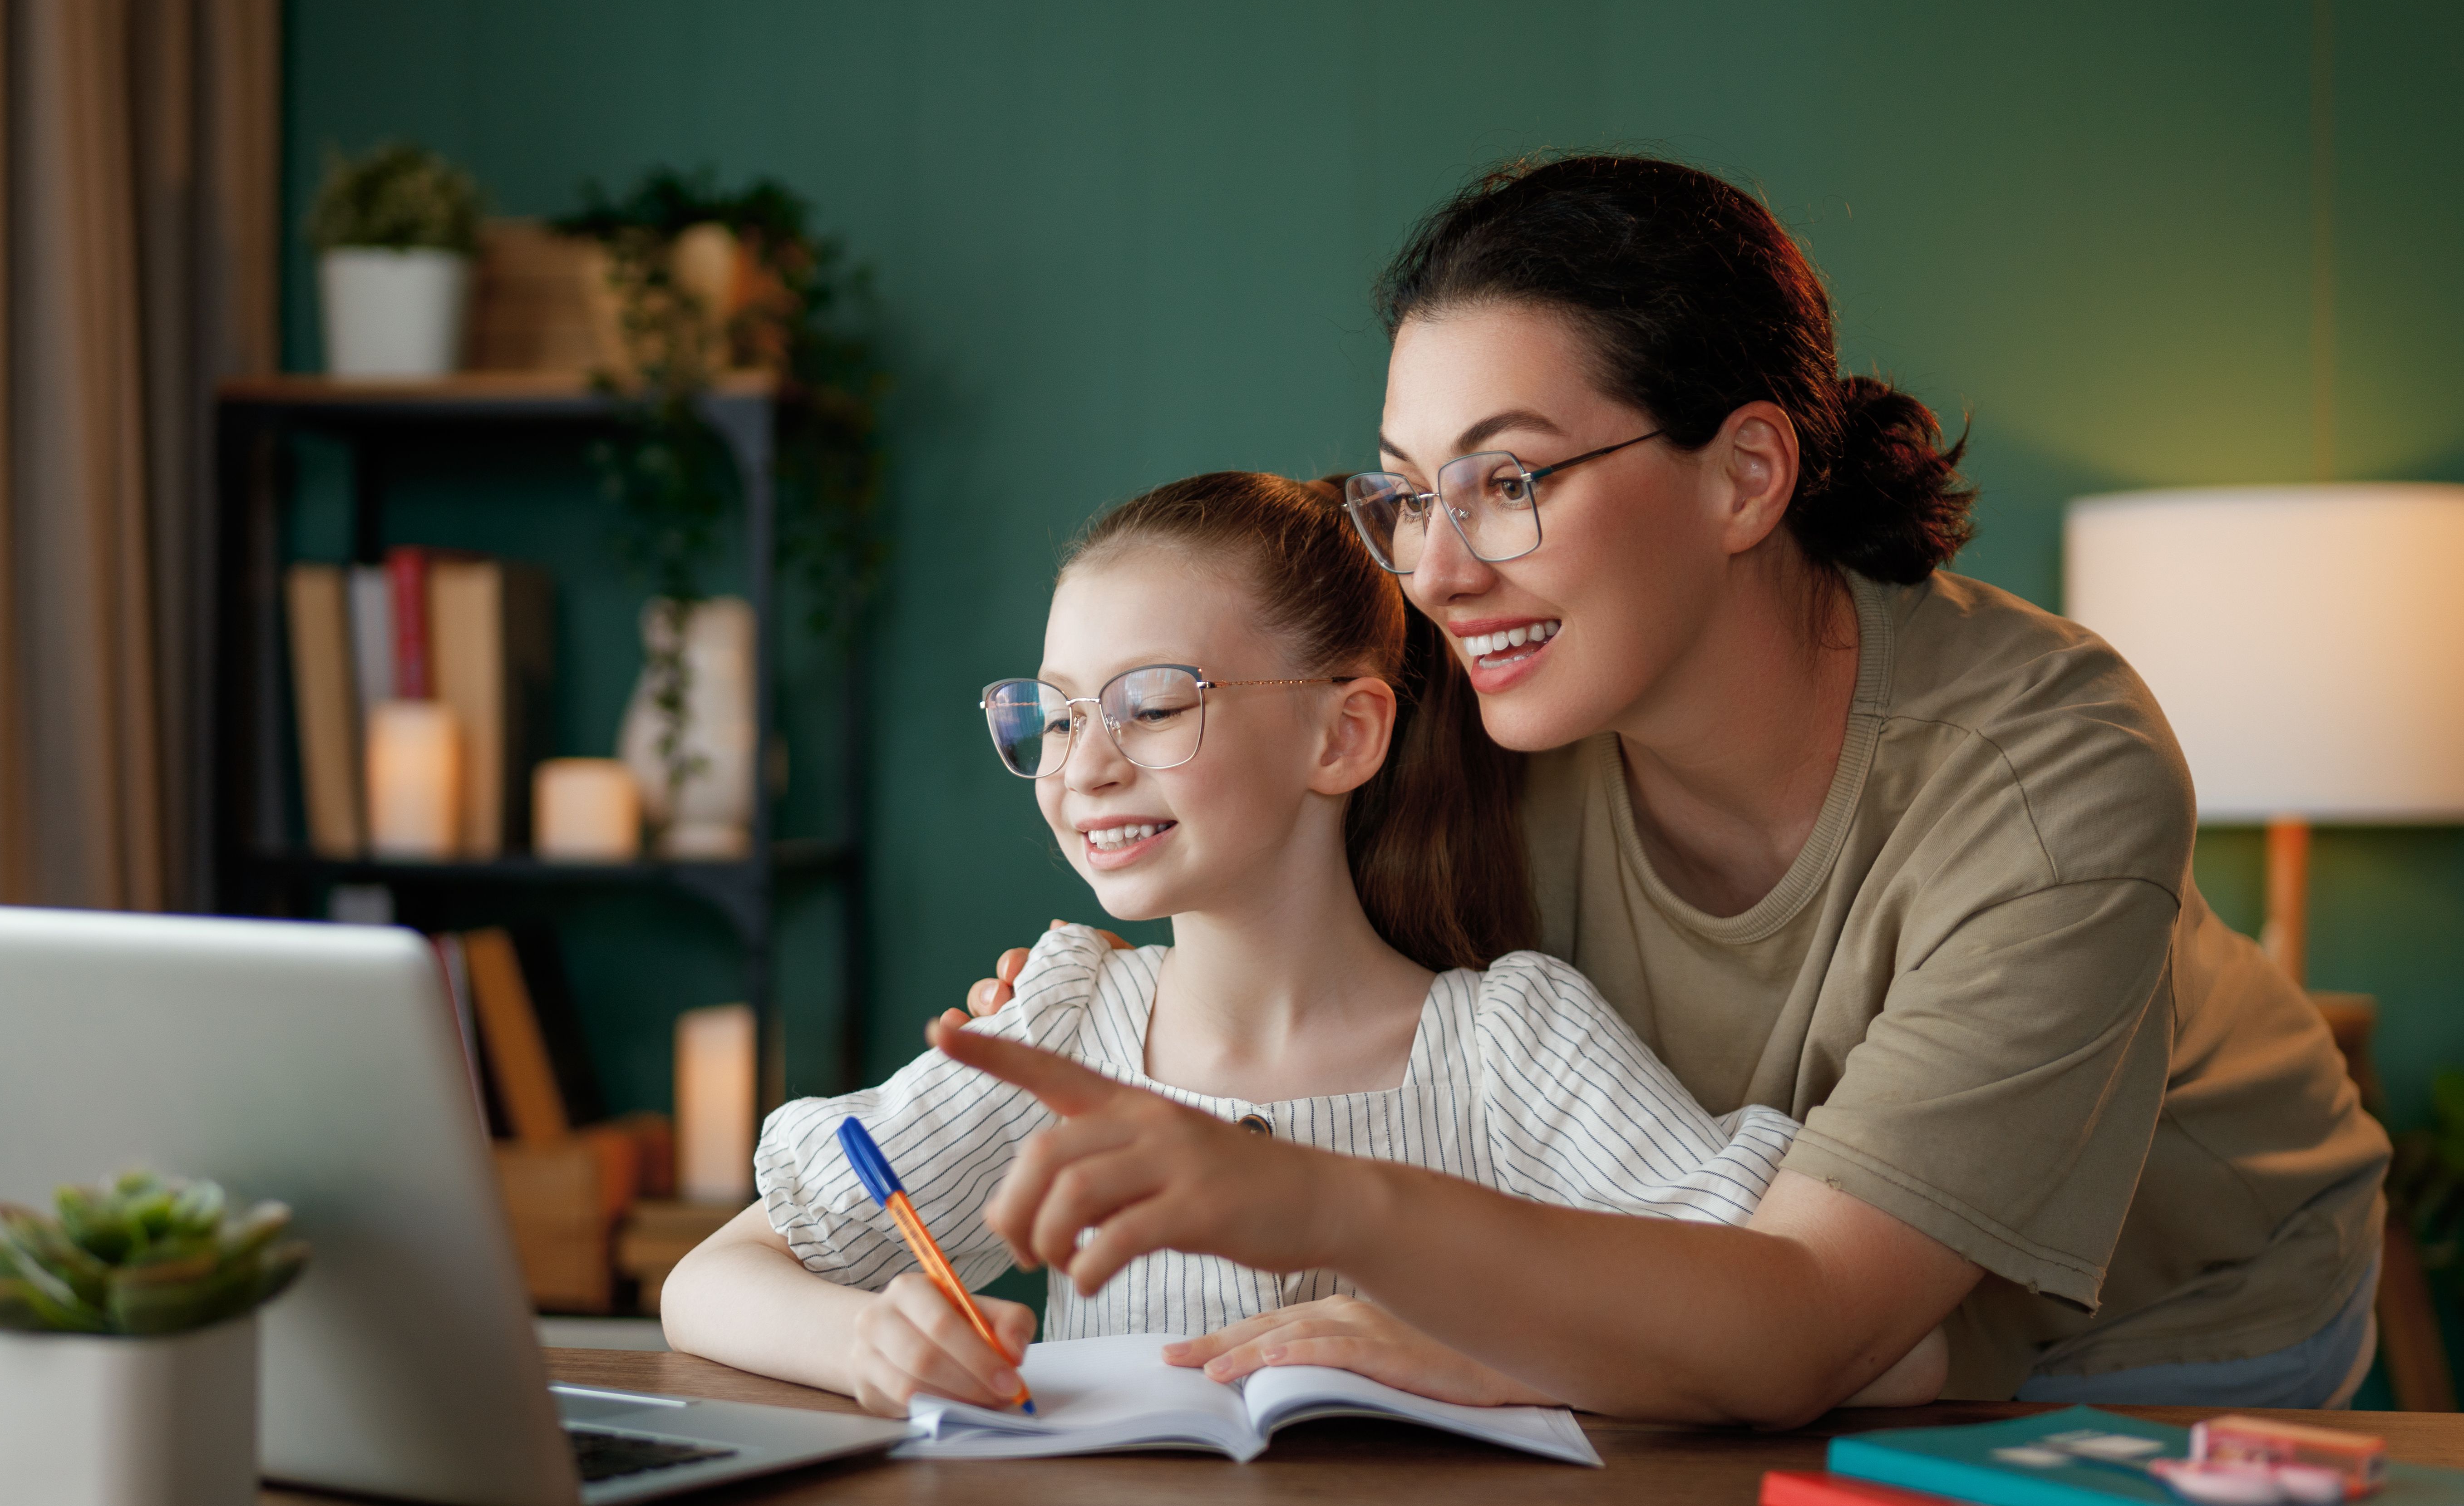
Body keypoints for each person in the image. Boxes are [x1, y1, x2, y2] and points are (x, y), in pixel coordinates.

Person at [951, 154, 2389, 1421]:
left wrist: (1416, 1266)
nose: (1439, 570)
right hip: (1742, 1310)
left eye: (1506, 481)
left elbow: (1815, 1329)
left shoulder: (2048, 778)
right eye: (1406, 493)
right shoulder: (1472, 680)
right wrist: (1129, 988)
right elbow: (1247, 857)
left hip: (2156, 1326)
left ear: (1745, 474)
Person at [663, 470, 1915, 1418]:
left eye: (1150, 706)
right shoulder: (1057, 1027)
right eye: (1048, 715)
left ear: (1342, 737)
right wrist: (868, 1344)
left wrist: (1509, 1356)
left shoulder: (1511, 1047)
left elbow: (1844, 1340)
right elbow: (711, 1278)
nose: (1084, 766)